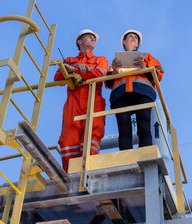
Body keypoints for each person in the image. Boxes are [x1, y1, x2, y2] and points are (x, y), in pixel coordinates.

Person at [54, 29, 108, 172]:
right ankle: (70, 174)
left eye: (94, 38)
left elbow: (100, 73)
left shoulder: (100, 60)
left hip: (94, 100)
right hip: (74, 102)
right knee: (68, 139)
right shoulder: (70, 60)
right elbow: (58, 78)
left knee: (92, 136)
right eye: (89, 37)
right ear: (79, 41)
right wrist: (75, 66)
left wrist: (74, 70)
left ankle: (88, 171)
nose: (93, 39)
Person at [105, 29, 164, 150]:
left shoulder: (146, 57)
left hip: (142, 92)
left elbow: (157, 76)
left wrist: (144, 67)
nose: (133, 38)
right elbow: (108, 83)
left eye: (136, 38)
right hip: (120, 95)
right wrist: (114, 72)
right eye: (130, 37)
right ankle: (127, 159)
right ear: (124, 42)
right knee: (124, 130)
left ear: (138, 44)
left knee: (144, 127)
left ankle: (144, 156)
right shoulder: (116, 62)